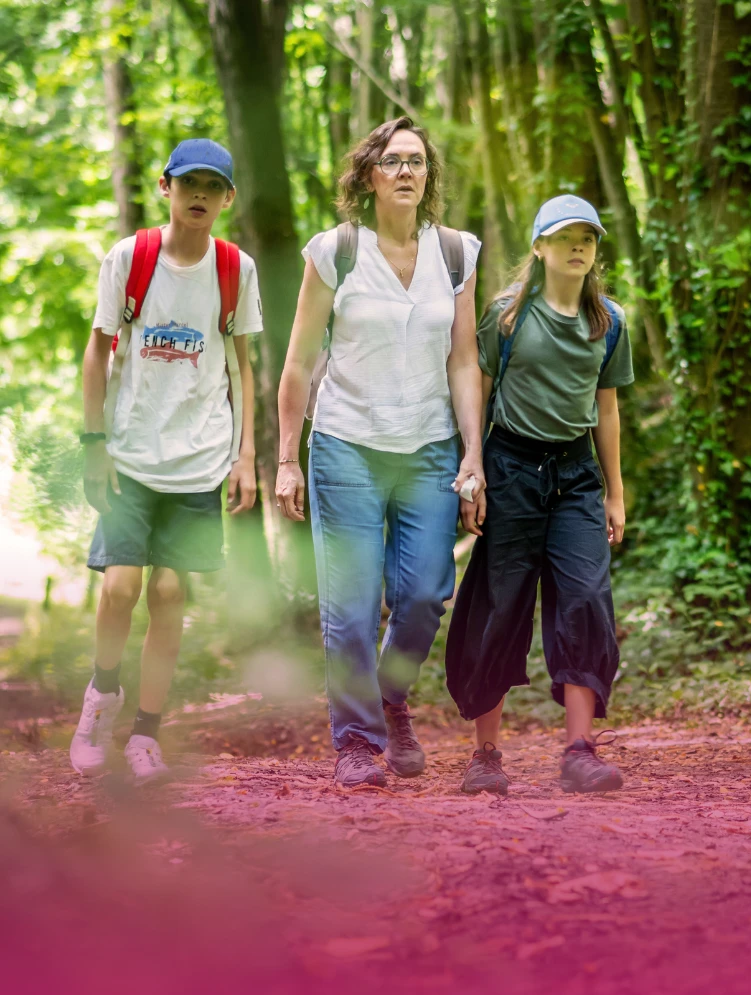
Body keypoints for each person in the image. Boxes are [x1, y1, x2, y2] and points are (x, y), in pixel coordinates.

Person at [275, 116, 484, 790]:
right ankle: (359, 743)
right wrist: (285, 457)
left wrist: (473, 454)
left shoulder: (455, 253)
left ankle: (391, 695)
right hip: (345, 448)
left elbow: (463, 360)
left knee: (423, 595)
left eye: (416, 162)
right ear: (368, 175)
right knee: (352, 605)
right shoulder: (335, 252)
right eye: (391, 161)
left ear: (429, 176)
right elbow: (300, 363)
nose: (405, 172)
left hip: (427, 449)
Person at [71, 138, 261, 783]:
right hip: (130, 453)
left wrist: (247, 456)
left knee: (173, 591)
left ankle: (145, 734)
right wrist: (93, 446)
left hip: (200, 458)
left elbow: (242, 366)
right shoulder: (130, 257)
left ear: (228, 197)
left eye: (213, 186)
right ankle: (102, 697)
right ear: (166, 188)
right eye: (189, 184)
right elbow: (97, 352)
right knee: (120, 587)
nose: (200, 195)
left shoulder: (236, 268)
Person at [446, 195, 633, 795]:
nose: (579, 246)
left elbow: (606, 408)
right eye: (566, 236)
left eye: (589, 237)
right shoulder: (506, 316)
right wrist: (472, 466)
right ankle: (486, 756)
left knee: (585, 599)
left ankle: (579, 750)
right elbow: (476, 386)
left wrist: (614, 492)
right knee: (500, 605)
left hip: (576, 475)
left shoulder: (609, 321)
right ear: (539, 247)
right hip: (511, 467)